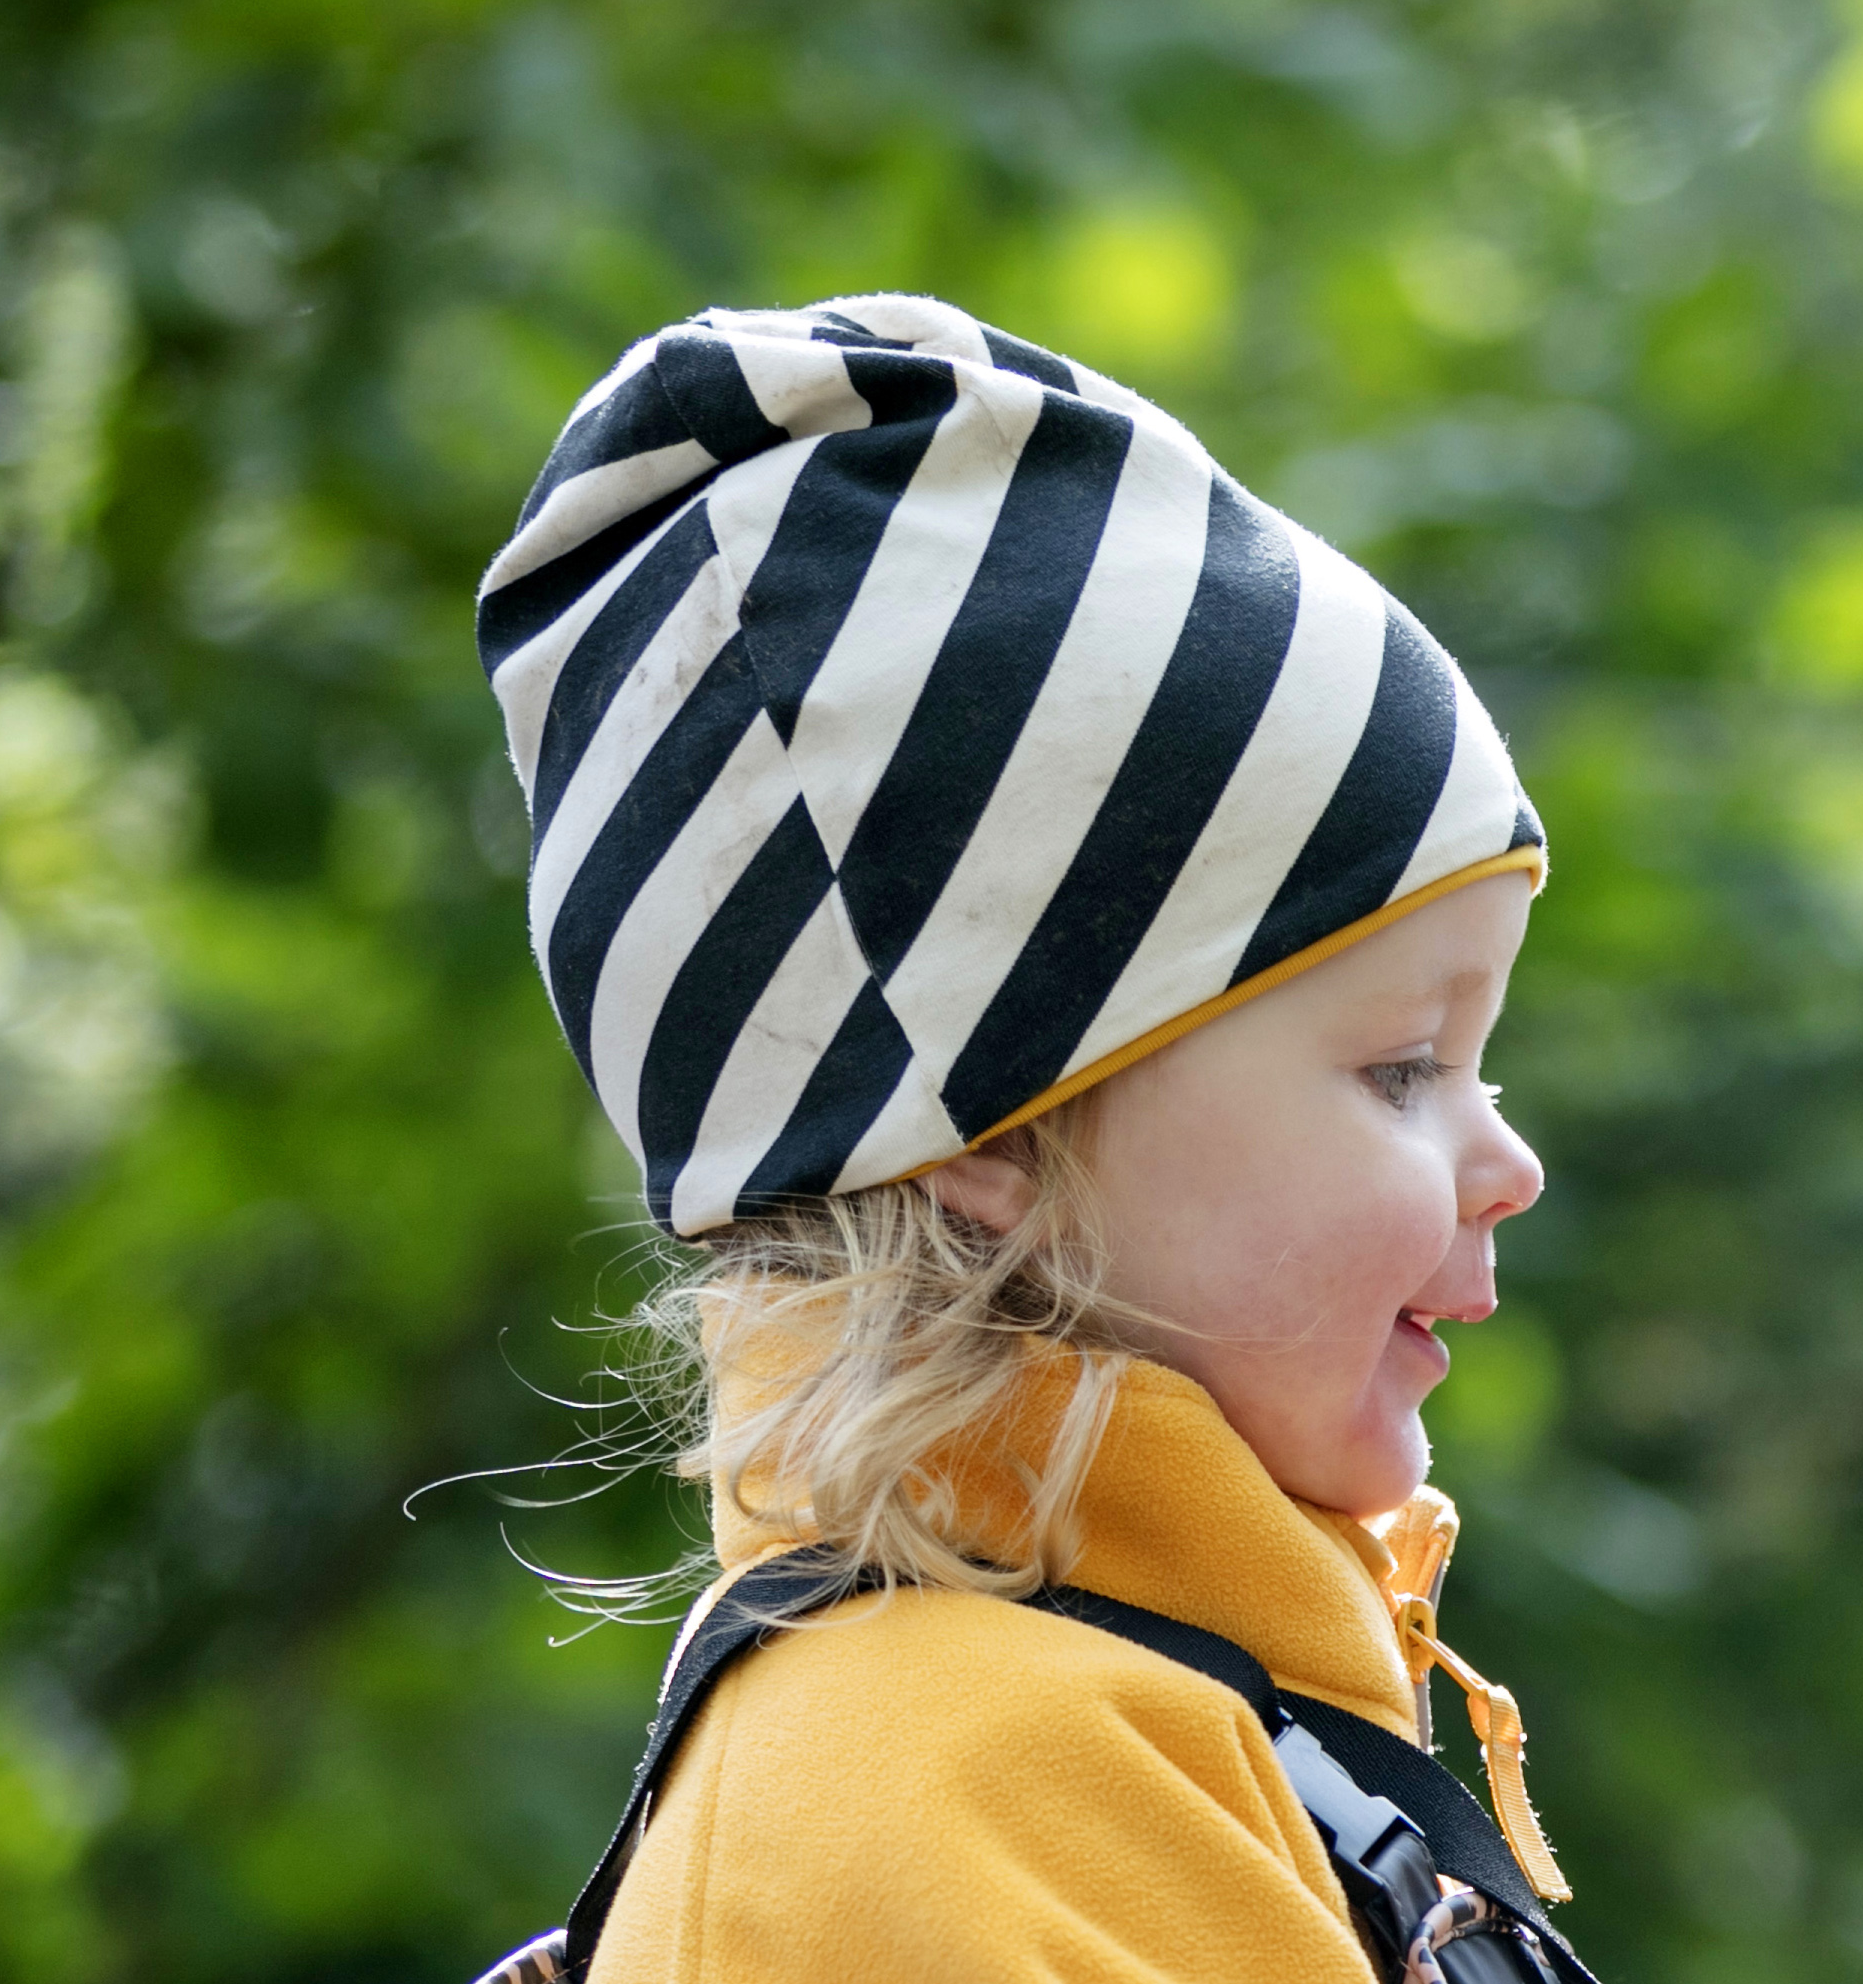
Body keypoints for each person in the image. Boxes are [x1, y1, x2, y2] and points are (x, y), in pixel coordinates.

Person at [475, 293, 1568, 1982]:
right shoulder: (923, 1803)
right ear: (992, 1129)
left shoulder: (1184, 1720)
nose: (1512, 1161)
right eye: (1404, 1066)